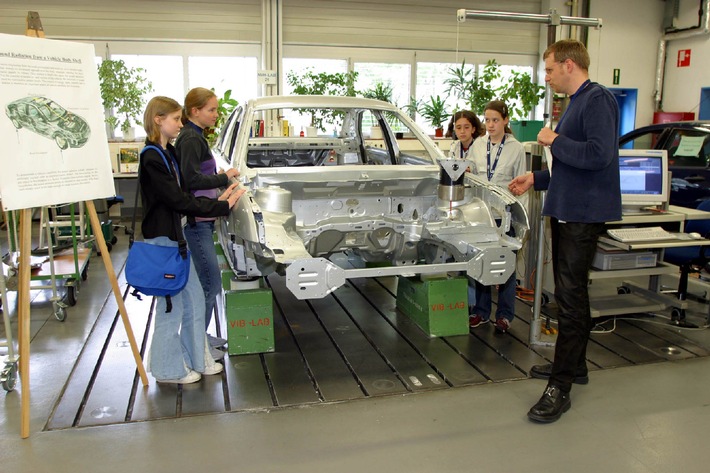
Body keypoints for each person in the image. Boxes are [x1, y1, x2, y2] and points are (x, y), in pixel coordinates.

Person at [508, 39, 621, 423]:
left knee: (570, 302)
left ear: (569, 65)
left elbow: (598, 155)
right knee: (571, 295)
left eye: (550, 69)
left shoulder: (597, 100)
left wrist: (553, 139)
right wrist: (535, 177)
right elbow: (570, 166)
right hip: (570, 208)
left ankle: (561, 386)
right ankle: (576, 367)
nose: (548, 76)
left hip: (582, 215)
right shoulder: (577, 103)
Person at [140, 96, 245, 384]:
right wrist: (220, 206)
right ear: (158, 120)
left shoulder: (168, 152)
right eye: (175, 118)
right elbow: (177, 200)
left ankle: (196, 357)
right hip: (164, 241)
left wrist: (220, 197)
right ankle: (166, 369)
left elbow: (186, 188)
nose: (180, 123)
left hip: (179, 239)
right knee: (170, 307)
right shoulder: (151, 157)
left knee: (196, 300)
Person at [176, 87, 240, 356]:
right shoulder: (191, 139)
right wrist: (224, 178)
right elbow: (192, 180)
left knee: (208, 283)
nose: (216, 114)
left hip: (203, 217)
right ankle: (196, 347)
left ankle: (200, 337)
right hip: (196, 221)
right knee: (210, 284)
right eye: (211, 110)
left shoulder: (195, 136)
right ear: (195, 111)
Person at [468, 100, 526, 334]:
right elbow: (472, 176)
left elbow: (521, 184)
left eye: (495, 120)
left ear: (505, 121)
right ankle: (481, 312)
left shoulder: (516, 148)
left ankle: (504, 315)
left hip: (505, 214)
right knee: (481, 263)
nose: (490, 125)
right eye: (487, 120)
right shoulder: (479, 145)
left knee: (507, 266)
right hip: (482, 214)